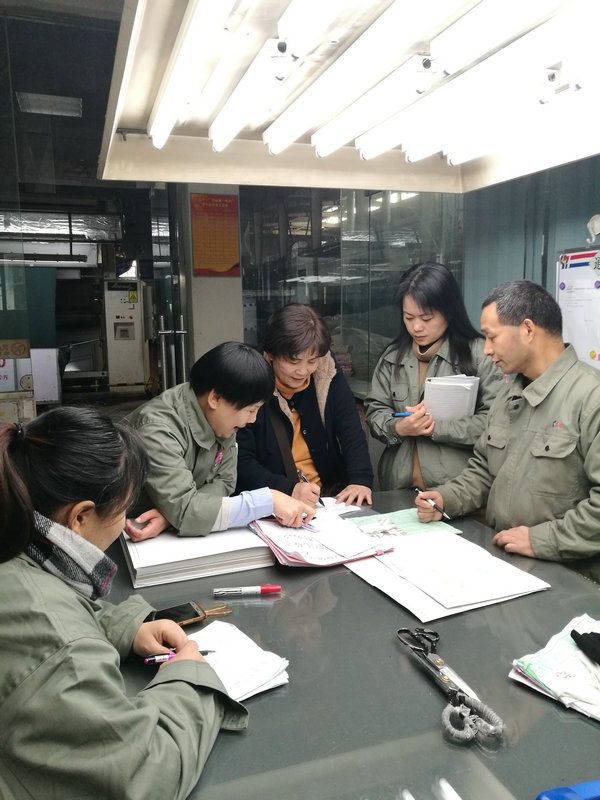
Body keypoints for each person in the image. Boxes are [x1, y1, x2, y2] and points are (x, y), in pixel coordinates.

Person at [0, 406, 247, 799]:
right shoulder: (61, 650)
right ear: (80, 517)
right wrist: (189, 679)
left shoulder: (15, 542)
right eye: (122, 509)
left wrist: (124, 627)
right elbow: (142, 774)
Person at [415, 279, 600, 580]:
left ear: (527, 330)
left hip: (569, 578)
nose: (486, 350)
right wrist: (446, 499)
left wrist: (542, 540)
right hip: (507, 565)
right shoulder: (508, 396)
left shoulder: (590, 397)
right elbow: (485, 470)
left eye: (492, 337)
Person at [124, 341, 315, 542]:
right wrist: (267, 500)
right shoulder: (158, 429)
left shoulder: (220, 418)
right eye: (250, 410)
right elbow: (186, 510)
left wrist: (173, 514)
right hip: (126, 534)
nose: (252, 419)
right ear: (215, 398)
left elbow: (225, 482)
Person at [365, 261, 502, 490]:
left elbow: (495, 423)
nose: (416, 327)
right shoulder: (392, 357)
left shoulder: (481, 355)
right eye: (409, 318)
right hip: (398, 488)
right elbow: (375, 411)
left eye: (426, 318)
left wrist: (435, 427)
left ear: (449, 311)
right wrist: (399, 427)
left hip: (457, 491)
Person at [235, 303, 373, 507]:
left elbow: (350, 428)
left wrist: (360, 478)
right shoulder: (250, 382)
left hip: (327, 499)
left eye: (312, 361)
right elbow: (241, 460)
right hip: (272, 501)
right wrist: (288, 489)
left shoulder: (326, 372)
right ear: (271, 354)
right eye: (293, 361)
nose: (302, 371)